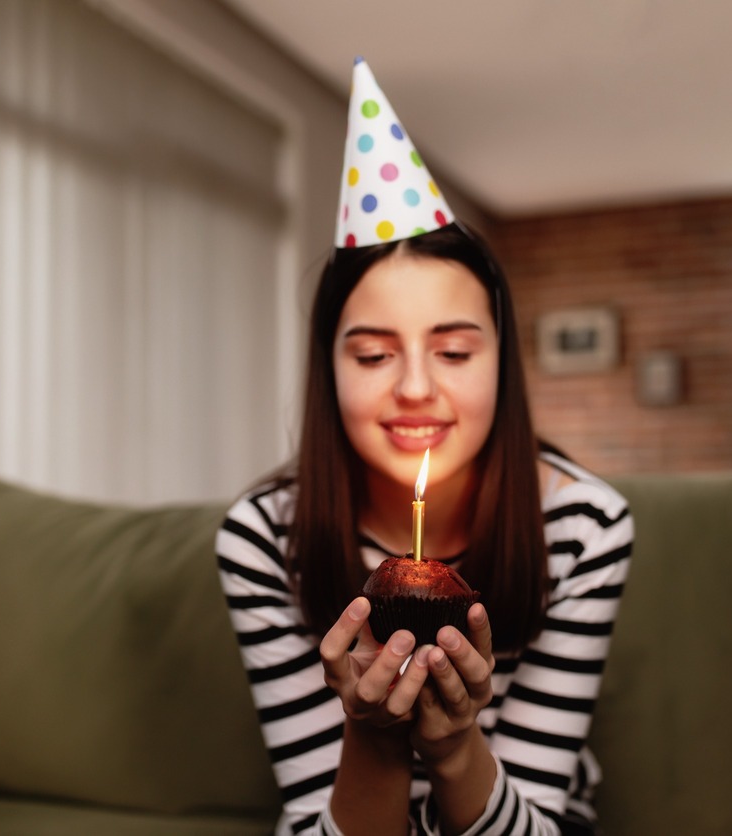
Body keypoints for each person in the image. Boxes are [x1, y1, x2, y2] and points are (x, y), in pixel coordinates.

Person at [216, 58, 633, 836]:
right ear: (328, 369)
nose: (414, 387)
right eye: (373, 355)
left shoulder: (585, 527)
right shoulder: (263, 538)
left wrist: (453, 747)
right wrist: (373, 736)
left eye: (454, 351)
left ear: (501, 361)